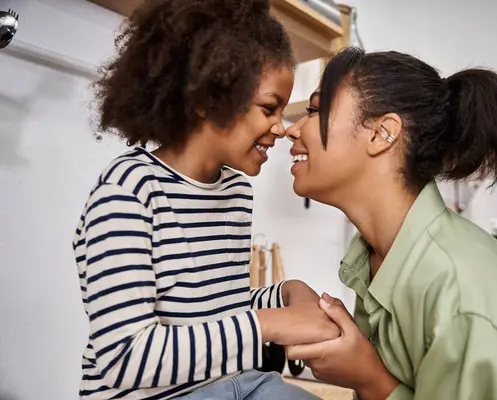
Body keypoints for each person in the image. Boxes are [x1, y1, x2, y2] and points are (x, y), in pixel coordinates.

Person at [284, 47, 497, 400]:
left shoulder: (458, 291)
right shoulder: (378, 260)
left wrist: (369, 379)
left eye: (314, 110)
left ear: (383, 134)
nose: (290, 129)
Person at [73, 1, 337, 399]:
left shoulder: (235, 192)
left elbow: (208, 306)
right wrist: (270, 324)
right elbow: (124, 356)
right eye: (269, 108)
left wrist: (285, 292)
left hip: (235, 384)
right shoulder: (128, 191)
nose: (280, 129)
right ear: (208, 100)